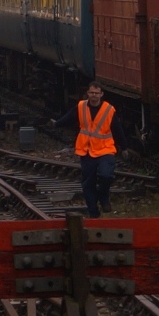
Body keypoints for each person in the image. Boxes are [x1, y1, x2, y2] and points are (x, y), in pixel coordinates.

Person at [51, 82, 128, 217]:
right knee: (88, 184)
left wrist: (124, 147)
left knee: (106, 175)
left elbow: (117, 129)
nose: (94, 96)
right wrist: (56, 124)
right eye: (91, 93)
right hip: (86, 150)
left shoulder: (109, 110)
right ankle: (94, 213)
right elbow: (69, 117)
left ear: (101, 94)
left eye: (96, 93)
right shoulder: (81, 107)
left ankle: (103, 197)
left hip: (105, 149)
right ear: (88, 93)